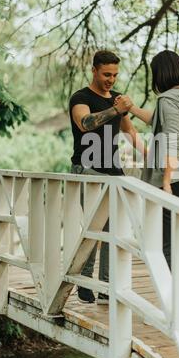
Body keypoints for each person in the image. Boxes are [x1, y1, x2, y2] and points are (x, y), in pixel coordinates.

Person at [116, 50, 179, 307]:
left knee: (162, 240)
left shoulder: (167, 99)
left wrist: (166, 181)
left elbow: (173, 140)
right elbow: (158, 121)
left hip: (176, 176)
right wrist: (131, 108)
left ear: (160, 73)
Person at [69, 50, 143, 304]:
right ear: (94, 71)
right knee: (94, 227)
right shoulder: (81, 97)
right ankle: (85, 282)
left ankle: (107, 286)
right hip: (87, 168)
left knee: (115, 229)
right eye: (106, 74)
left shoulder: (117, 99)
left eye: (115, 74)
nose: (111, 79)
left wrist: (155, 156)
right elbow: (85, 124)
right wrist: (115, 109)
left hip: (113, 170)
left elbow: (131, 131)